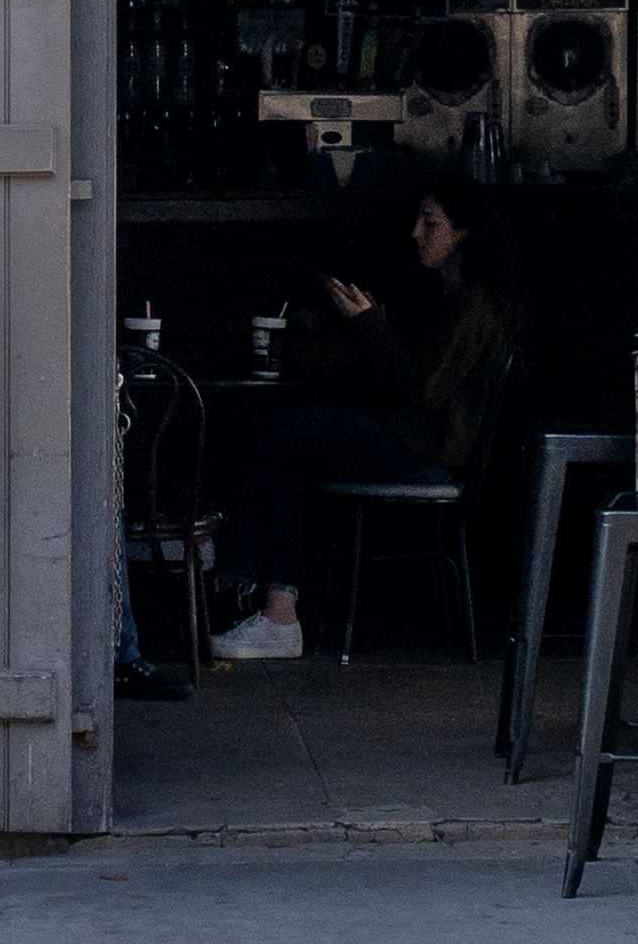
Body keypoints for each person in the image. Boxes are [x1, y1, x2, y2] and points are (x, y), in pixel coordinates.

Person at [212, 171, 519, 661]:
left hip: (426, 452)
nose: (415, 232)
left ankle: (270, 605)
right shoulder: (449, 297)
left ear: (464, 232)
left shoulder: (476, 306)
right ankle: (270, 602)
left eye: (430, 222)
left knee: (283, 435)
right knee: (284, 436)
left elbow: (423, 391)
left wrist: (370, 324)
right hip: (411, 439)